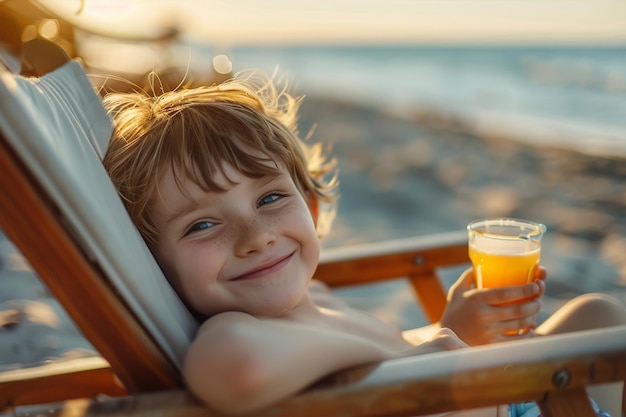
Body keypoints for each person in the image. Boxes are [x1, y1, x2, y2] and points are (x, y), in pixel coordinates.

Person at [102, 70, 625, 416]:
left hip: (499, 397)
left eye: (269, 199)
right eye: (201, 226)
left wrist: (446, 332)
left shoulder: (318, 296)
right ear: (154, 260)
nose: (256, 239)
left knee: (597, 311)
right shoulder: (233, 329)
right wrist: (396, 353)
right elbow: (239, 370)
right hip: (505, 402)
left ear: (309, 207)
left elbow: (394, 353)